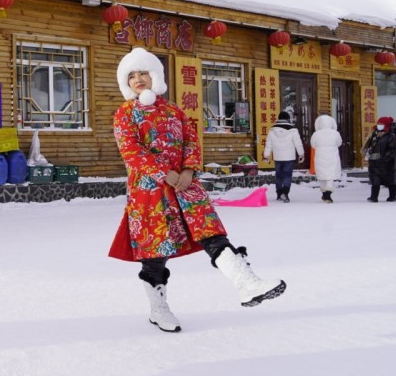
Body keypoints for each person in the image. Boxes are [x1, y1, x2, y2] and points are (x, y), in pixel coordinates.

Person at [109, 47, 286, 333]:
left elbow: (192, 142)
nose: (138, 79)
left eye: (144, 73)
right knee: (155, 253)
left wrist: (189, 170)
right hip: (150, 192)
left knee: (211, 232)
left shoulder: (175, 111)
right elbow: (131, 151)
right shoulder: (125, 113)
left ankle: (247, 283)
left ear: (155, 77)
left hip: (186, 186)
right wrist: (165, 173)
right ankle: (158, 308)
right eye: (132, 75)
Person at [263, 110, 305, 202]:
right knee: (287, 175)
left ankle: (279, 193)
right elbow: (298, 144)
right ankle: (285, 192)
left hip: (278, 157)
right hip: (289, 157)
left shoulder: (272, 130)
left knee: (279, 175)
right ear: (287, 119)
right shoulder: (293, 130)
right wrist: (301, 154)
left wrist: (266, 156)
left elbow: (268, 144)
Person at [362, 116, 396, 203]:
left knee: (390, 180)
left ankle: (392, 196)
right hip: (374, 161)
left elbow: (393, 149)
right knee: (375, 180)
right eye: (378, 124)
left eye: (381, 124)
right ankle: (373, 197)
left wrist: (385, 158)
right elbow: (369, 145)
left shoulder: (391, 136)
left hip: (386, 163)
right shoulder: (374, 134)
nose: (379, 126)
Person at [310, 114, 342, 203]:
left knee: (322, 175)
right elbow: (339, 143)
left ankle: (324, 195)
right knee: (330, 175)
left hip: (320, 156)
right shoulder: (335, 133)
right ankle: (328, 195)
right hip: (332, 156)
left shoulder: (316, 134)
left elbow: (313, 144)